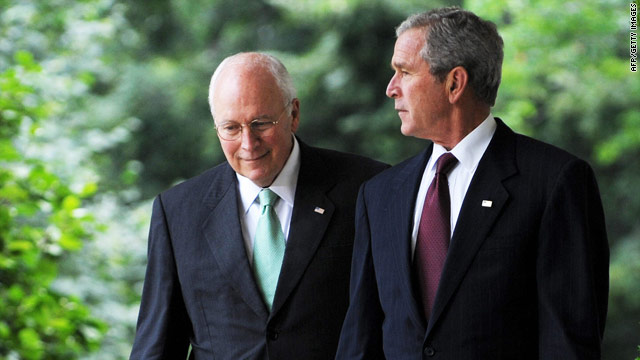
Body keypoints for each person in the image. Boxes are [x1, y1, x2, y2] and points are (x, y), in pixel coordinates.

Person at [336, 7, 609, 359]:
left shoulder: (555, 181)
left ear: (454, 83)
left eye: (404, 72)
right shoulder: (379, 194)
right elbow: (360, 339)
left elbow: (569, 344)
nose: (391, 89)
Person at [129, 52, 388, 359]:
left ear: (293, 114)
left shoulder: (368, 189)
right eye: (231, 129)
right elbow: (157, 344)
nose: (248, 144)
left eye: (260, 123)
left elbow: (395, 322)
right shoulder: (178, 212)